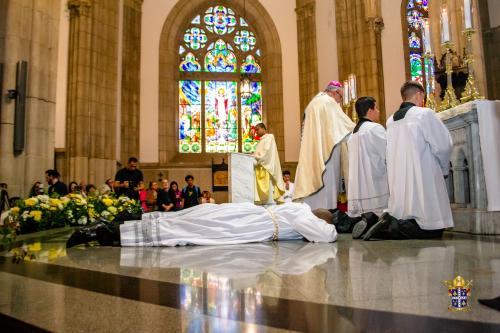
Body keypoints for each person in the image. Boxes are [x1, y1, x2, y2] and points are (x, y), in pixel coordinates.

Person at [363, 81, 453, 240]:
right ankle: (390, 228)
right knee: (432, 228)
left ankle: (388, 223)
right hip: (423, 174)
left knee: (408, 216)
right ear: (419, 95)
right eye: (422, 97)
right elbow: (443, 145)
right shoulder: (424, 114)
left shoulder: (391, 120)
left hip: (400, 178)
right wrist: (444, 168)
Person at [66, 202, 338, 248]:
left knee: (188, 218)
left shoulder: (293, 205)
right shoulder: (304, 214)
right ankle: (107, 233)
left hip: (244, 214)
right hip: (247, 224)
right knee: (189, 230)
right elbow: (324, 236)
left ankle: (116, 225)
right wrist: (332, 227)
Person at [293, 81, 355, 210]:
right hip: (329, 152)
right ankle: (327, 212)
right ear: (334, 92)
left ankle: (313, 211)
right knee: (327, 183)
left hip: (314, 150)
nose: (340, 101)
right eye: (340, 97)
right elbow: (344, 127)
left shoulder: (313, 103)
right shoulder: (329, 102)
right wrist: (359, 130)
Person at [343, 97, 390, 239]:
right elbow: (388, 153)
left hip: (358, 186)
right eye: (376, 108)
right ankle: (375, 226)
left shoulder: (353, 134)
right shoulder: (375, 128)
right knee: (382, 214)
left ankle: (364, 222)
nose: (378, 111)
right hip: (374, 181)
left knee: (368, 212)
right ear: (370, 110)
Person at [253, 123, 285, 205]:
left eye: (258, 129)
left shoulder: (269, 137)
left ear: (263, 129)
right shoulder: (262, 140)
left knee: (268, 188)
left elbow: (267, 151)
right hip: (261, 165)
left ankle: (267, 202)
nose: (256, 132)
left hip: (267, 166)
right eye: (256, 130)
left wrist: (257, 157)